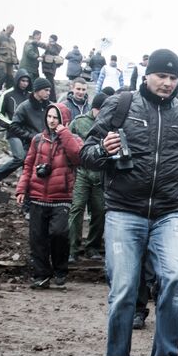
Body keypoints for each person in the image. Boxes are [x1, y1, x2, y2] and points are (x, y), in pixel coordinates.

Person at [81, 49, 178, 356]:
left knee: (175, 280)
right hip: (124, 210)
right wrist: (103, 151)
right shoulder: (121, 104)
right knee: (124, 288)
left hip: (169, 214)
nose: (168, 83)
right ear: (147, 74)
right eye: (162, 76)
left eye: (173, 78)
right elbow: (86, 153)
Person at [15, 104, 83, 289]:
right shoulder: (38, 140)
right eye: (50, 117)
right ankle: (42, 275)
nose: (52, 121)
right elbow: (28, 165)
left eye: (56, 117)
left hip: (61, 197)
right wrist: (21, 190)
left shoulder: (73, 139)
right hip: (37, 196)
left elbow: (78, 157)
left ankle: (60, 270)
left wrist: (64, 133)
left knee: (59, 234)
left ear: (64, 120)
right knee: (37, 238)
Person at [68, 91, 107, 263]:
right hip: (82, 172)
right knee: (76, 208)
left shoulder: (110, 123)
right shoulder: (80, 122)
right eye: (99, 109)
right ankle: (72, 249)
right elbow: (67, 141)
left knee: (99, 211)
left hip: (101, 173)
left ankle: (92, 247)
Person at [0, 71, 34, 184]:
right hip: (13, 133)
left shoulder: (30, 95)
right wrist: (11, 124)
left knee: (28, 161)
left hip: (28, 133)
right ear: (17, 80)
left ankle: (24, 187)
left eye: (27, 81)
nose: (25, 83)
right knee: (20, 158)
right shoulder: (8, 94)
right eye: (22, 80)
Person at [0, 24, 18, 94]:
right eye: (11, 30)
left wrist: (16, 61)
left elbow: (14, 51)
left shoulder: (12, 40)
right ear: (7, 28)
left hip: (10, 61)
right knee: (2, 75)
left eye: (12, 31)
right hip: (1, 59)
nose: (11, 32)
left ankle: (9, 93)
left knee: (10, 78)